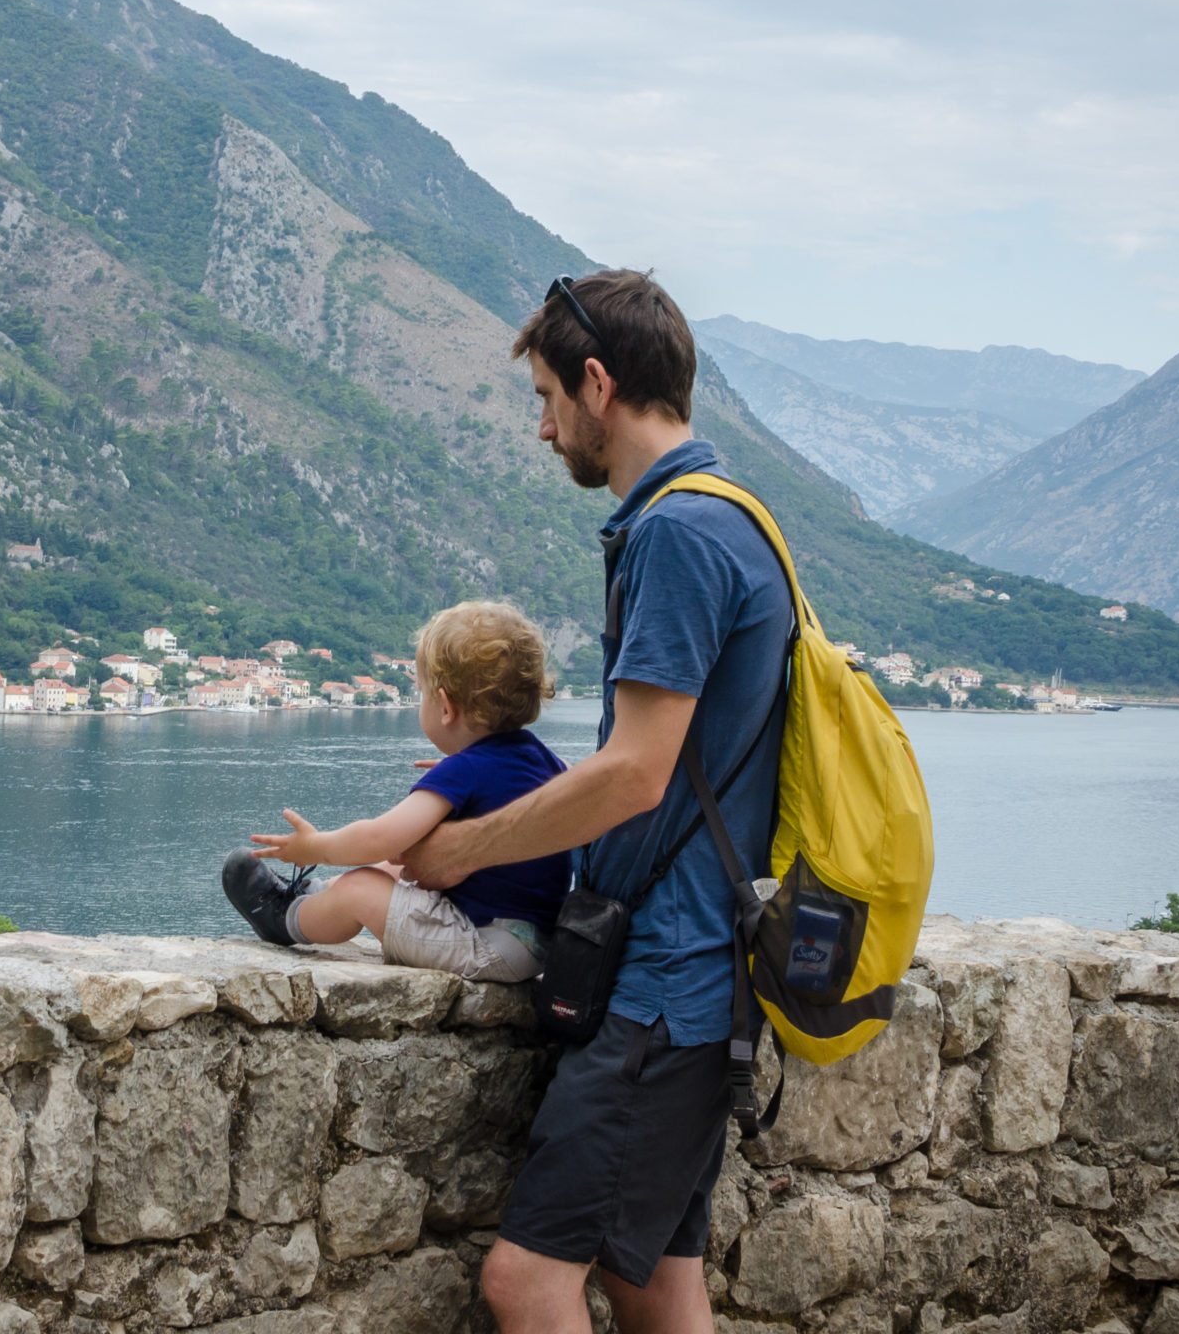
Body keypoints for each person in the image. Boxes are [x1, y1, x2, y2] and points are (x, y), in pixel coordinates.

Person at [403, 269, 794, 1334]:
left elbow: (635, 770)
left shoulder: (676, 533)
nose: (541, 430)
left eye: (542, 398)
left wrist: (463, 850)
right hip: (706, 981)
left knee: (526, 1281)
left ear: (595, 382)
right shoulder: (736, 518)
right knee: (652, 1280)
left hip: (663, 991)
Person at [219, 600, 571, 982]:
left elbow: (380, 837)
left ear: (446, 708)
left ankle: (281, 919)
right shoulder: (543, 760)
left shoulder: (466, 770)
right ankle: (312, 892)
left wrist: (315, 846)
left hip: (486, 946)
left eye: (421, 693)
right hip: (532, 943)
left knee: (362, 887)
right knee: (400, 867)